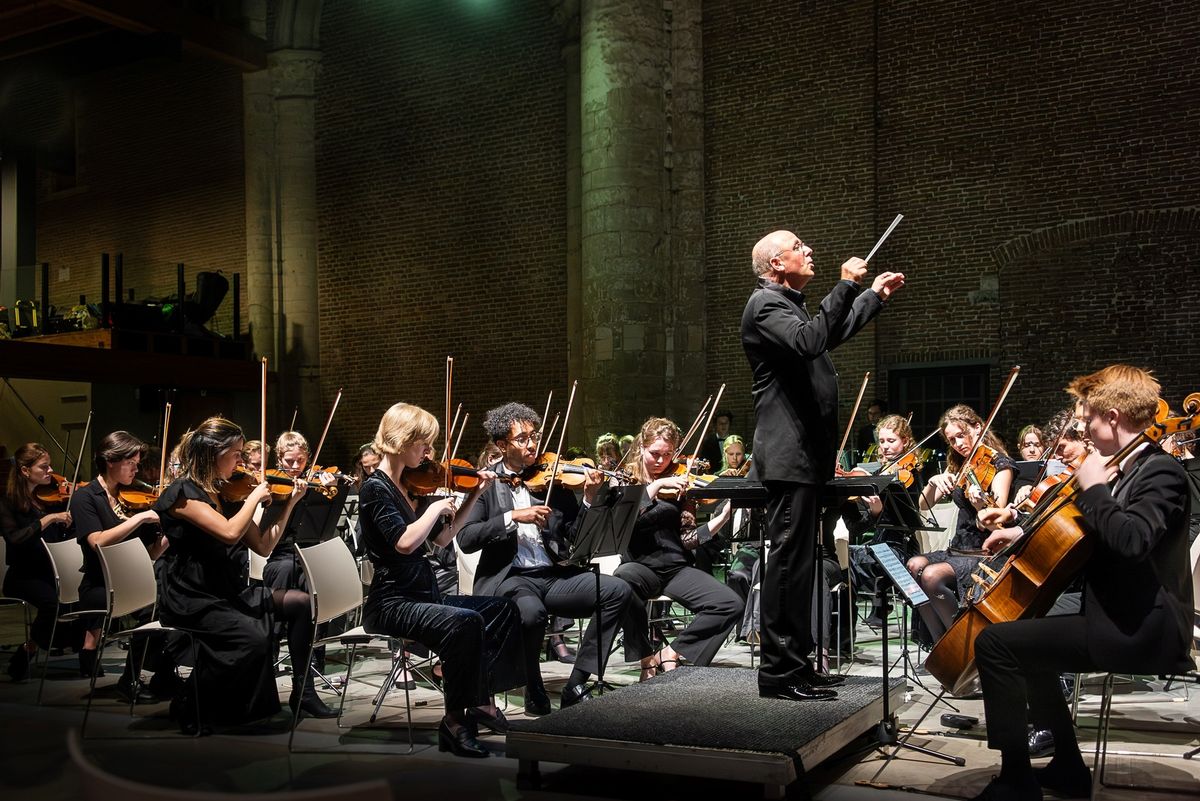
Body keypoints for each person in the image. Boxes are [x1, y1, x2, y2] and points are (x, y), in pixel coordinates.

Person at [967, 365, 1194, 801]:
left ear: (1111, 417)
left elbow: (1131, 540)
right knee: (1029, 637)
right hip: (1116, 615)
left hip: (1142, 628)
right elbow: (1091, 536)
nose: (1085, 428)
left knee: (995, 643)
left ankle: (1016, 780)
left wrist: (1093, 490)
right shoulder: (1127, 469)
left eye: (1088, 418)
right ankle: (1068, 766)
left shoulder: (1161, 471)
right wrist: (1022, 534)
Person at [740, 228, 905, 701]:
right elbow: (812, 341)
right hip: (789, 458)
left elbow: (827, 332)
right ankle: (777, 673)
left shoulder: (788, 304)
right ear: (775, 263)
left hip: (808, 458)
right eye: (797, 247)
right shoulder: (765, 306)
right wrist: (847, 285)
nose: (809, 249)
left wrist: (871, 295)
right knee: (788, 567)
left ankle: (798, 665)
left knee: (803, 565)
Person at [358, 402, 524, 758]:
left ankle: (482, 702)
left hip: (423, 593)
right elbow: (403, 543)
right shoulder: (376, 489)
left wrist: (475, 495)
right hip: (393, 601)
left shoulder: (406, 485)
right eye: (424, 443)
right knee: (464, 623)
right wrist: (433, 507)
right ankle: (453, 721)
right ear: (402, 441)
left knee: (503, 610)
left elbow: (443, 539)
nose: (429, 452)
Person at [457, 402, 640, 713]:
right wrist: (513, 516)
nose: (533, 444)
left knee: (617, 591)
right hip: (510, 578)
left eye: (535, 436)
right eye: (523, 438)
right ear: (502, 445)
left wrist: (590, 501)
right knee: (532, 613)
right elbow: (466, 537)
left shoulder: (552, 477)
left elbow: (575, 534)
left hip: (553, 575)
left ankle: (577, 682)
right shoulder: (485, 483)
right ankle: (533, 685)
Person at [154, 416, 318, 733]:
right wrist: (254, 498)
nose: (242, 462)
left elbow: (264, 545)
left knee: (300, 602)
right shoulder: (183, 494)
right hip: (193, 595)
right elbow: (228, 534)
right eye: (237, 454)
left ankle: (304, 690)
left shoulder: (226, 494)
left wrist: (289, 505)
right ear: (213, 454)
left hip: (227, 589)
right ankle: (194, 701)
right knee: (254, 639)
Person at [616, 417, 743, 680]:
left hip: (676, 569)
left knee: (730, 603)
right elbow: (623, 524)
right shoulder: (624, 479)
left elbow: (687, 539)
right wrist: (656, 486)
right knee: (622, 580)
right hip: (640, 567)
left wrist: (721, 519)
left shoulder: (680, 484)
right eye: (655, 454)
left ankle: (671, 653)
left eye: (667, 454)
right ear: (641, 448)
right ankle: (645, 659)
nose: (662, 461)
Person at [909, 405, 1016, 645]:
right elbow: (923, 505)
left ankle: (959, 645)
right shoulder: (959, 464)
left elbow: (996, 523)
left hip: (984, 552)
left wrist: (980, 506)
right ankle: (939, 644)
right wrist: (934, 482)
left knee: (931, 575)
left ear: (978, 427)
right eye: (951, 440)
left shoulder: (1000, 465)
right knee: (913, 565)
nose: (957, 443)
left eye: (961, 435)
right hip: (957, 548)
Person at [70, 431, 167, 688]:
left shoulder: (132, 498)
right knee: (154, 604)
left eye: (138, 464)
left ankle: (159, 674)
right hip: (100, 584)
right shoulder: (85, 497)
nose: (137, 469)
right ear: (110, 460)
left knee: (169, 600)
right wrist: (139, 518)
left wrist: (169, 535)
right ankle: (131, 678)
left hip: (131, 580)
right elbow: (97, 541)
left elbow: (150, 556)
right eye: (131, 463)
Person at [1, 443, 73, 682]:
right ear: (24, 470)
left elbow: (54, 538)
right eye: (44, 466)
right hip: (22, 577)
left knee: (76, 598)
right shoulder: (7, 502)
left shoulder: (43, 500)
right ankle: (28, 651)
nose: (50, 470)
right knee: (54, 604)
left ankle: (82, 651)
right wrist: (50, 519)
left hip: (47, 572)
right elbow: (16, 539)